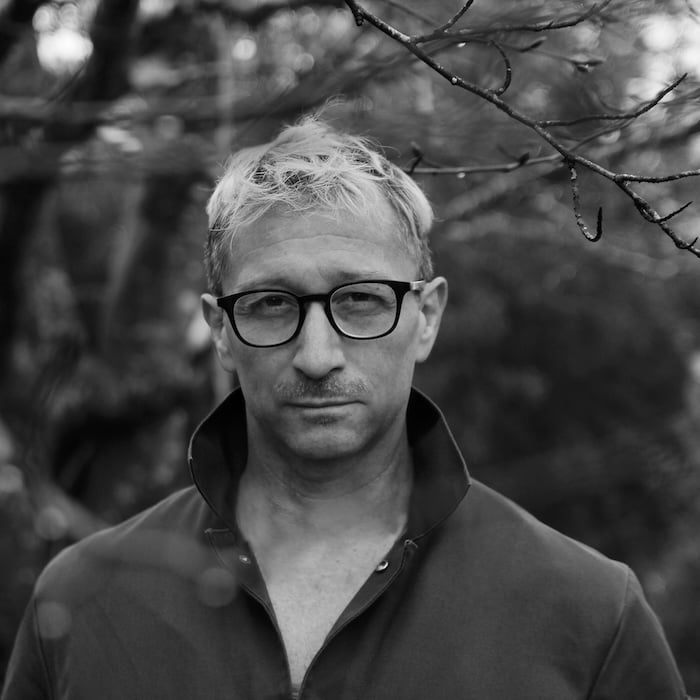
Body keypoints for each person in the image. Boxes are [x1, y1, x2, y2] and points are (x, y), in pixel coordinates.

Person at [1, 118, 688, 700]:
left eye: (360, 300)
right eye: (272, 304)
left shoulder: (588, 614)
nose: (317, 355)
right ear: (220, 329)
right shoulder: (87, 602)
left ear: (426, 317)